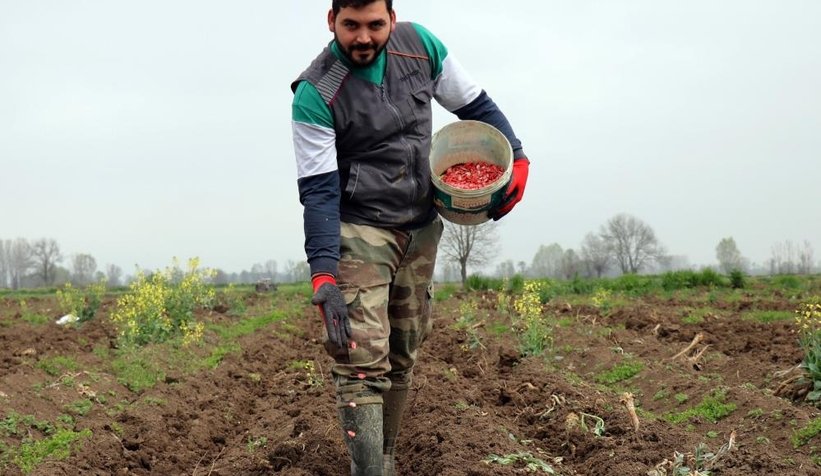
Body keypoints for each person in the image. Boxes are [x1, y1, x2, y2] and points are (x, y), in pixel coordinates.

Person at [290, 1, 529, 473]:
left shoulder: (421, 47)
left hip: (420, 223)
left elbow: (474, 104)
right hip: (360, 226)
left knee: (404, 346)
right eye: (351, 25)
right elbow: (318, 190)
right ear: (331, 20)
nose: (363, 37)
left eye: (375, 25)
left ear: (392, 21)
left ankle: (387, 458)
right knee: (360, 357)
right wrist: (324, 275)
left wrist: (517, 156)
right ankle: (369, 471)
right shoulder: (316, 92)